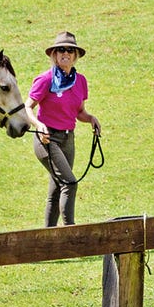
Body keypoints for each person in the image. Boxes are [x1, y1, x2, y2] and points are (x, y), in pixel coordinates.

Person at [26, 31, 101, 227]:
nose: (65, 53)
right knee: (69, 183)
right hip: (47, 139)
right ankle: (70, 233)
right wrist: (39, 125)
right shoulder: (45, 79)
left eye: (69, 50)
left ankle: (49, 238)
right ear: (54, 55)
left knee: (57, 188)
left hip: (68, 139)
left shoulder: (80, 81)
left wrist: (91, 118)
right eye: (61, 50)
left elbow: (79, 112)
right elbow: (27, 108)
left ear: (75, 55)